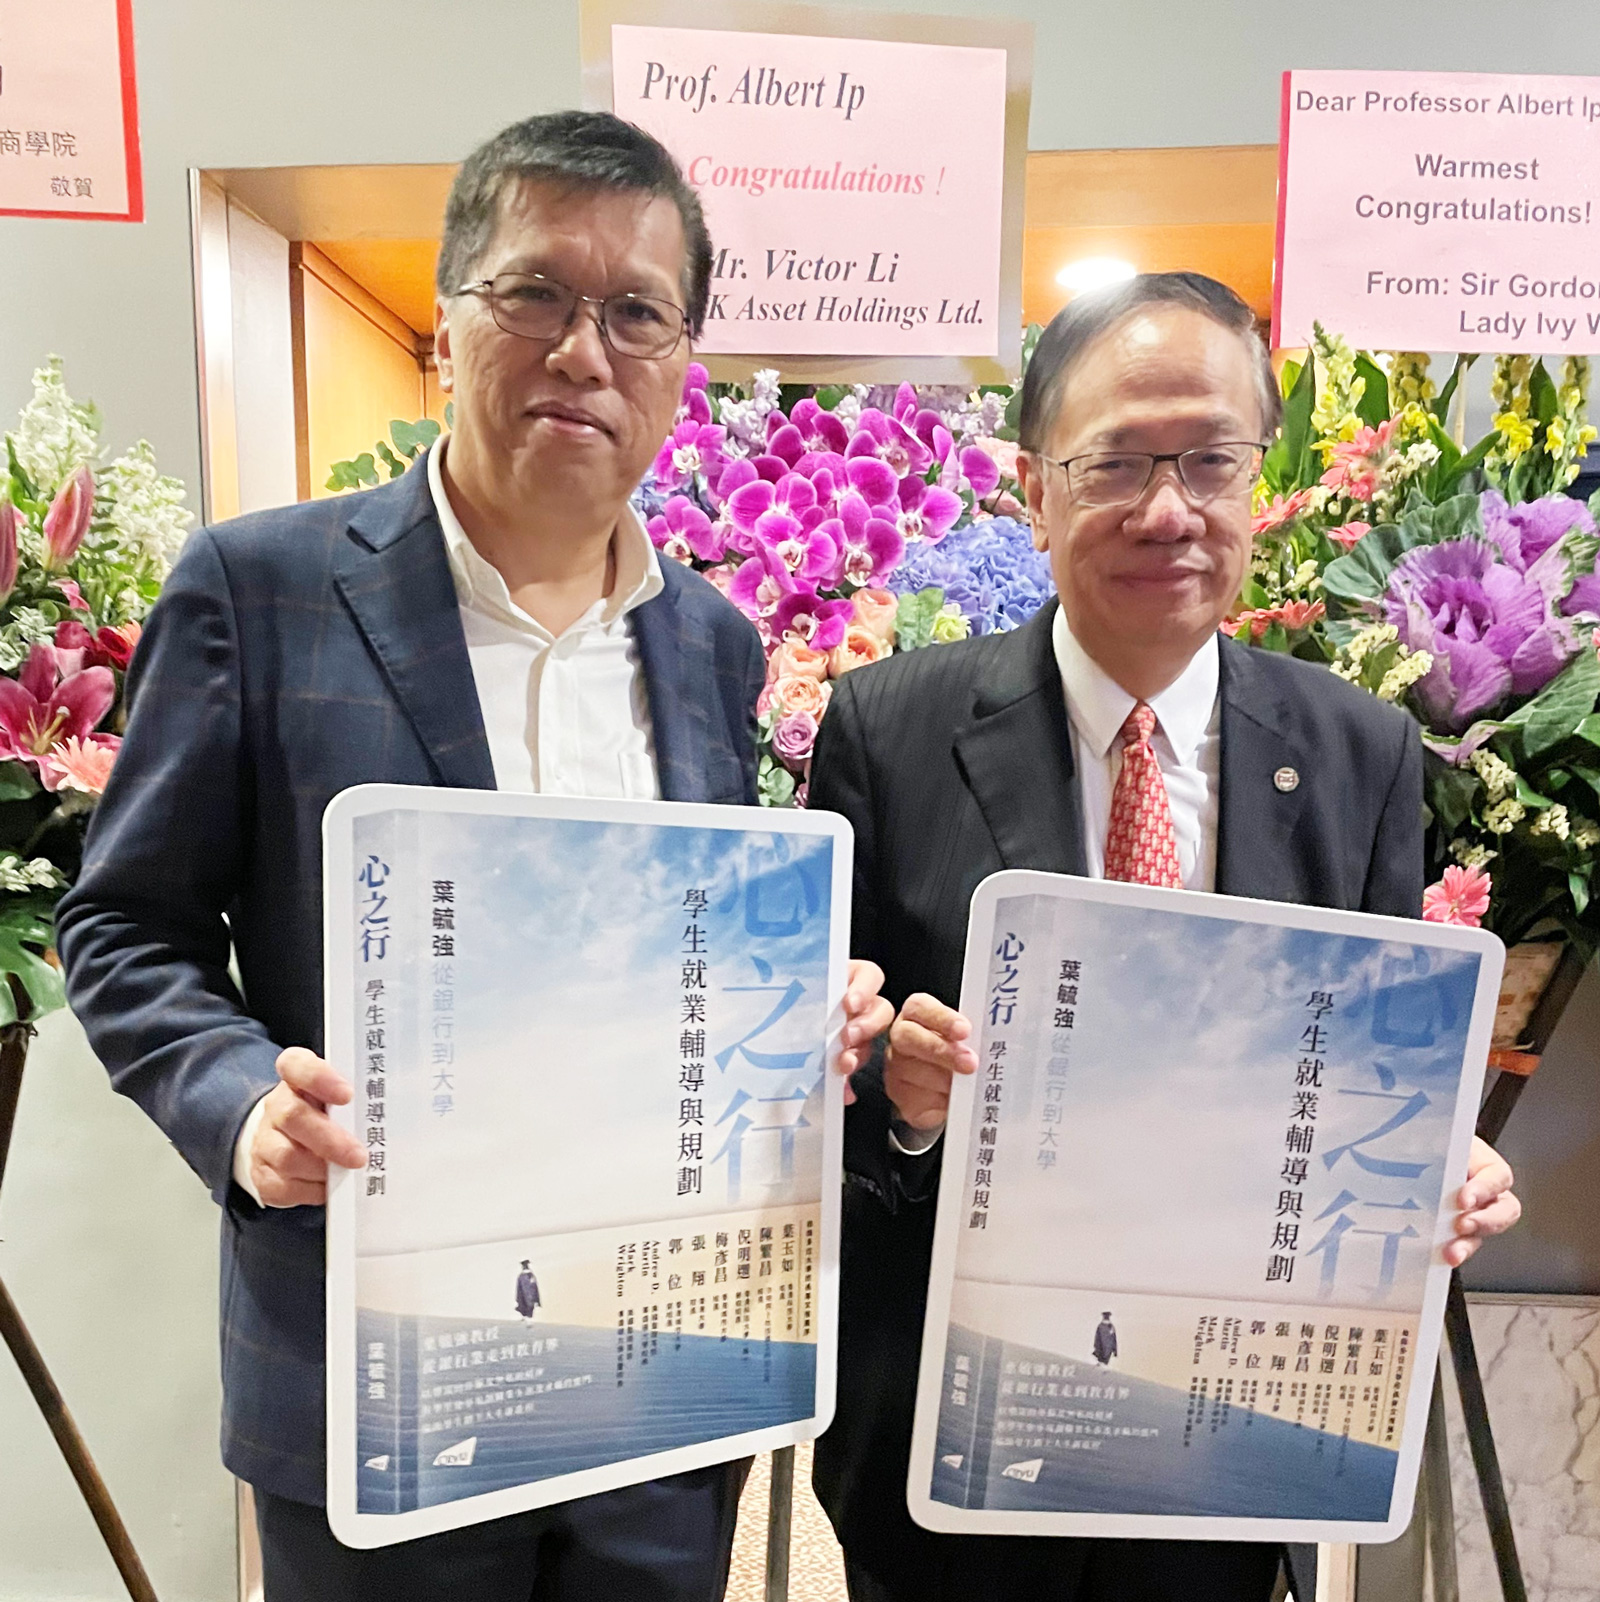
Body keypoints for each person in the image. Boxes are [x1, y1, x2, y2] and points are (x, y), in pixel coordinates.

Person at [57, 110, 890, 1601]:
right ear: (450, 321)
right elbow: (123, 926)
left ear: (681, 365)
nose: (586, 350)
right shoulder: (263, 589)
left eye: (637, 312)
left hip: (654, 1375)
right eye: (536, 294)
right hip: (378, 1373)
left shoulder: (707, 643)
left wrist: (792, 1017)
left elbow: (687, 946)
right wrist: (242, 1102)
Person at [807, 272, 1523, 1602]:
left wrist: (1438, 1153)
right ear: (1034, 484)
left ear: (1258, 475)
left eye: (1209, 460)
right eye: (1119, 463)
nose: (1169, 509)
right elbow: (811, 1099)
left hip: (1221, 1442)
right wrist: (899, 1103)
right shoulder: (887, 732)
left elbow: (1363, 1063)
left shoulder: (1359, 751)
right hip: (953, 1437)